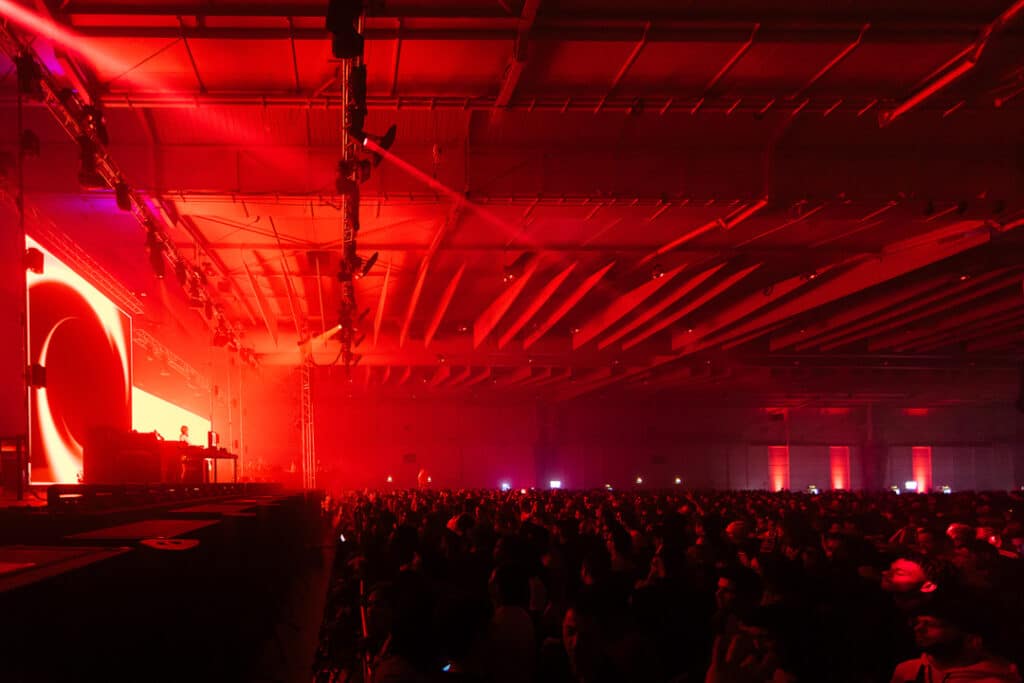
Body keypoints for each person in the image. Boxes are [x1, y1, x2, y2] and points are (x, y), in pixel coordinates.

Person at [890, 597, 1021, 683]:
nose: (918, 628)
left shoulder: (997, 677)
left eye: (931, 624)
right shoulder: (906, 670)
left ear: (971, 638)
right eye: (917, 622)